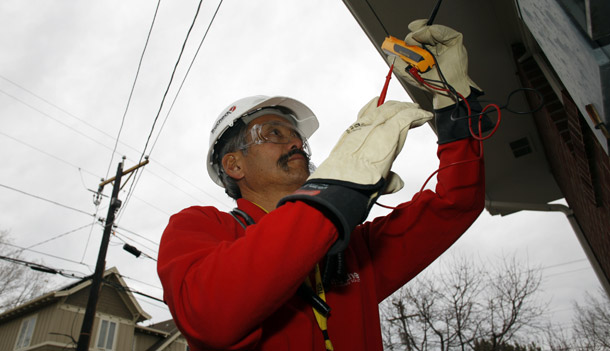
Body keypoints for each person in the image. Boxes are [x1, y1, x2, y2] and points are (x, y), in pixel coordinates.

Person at [157, 20, 492, 351]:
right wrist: (334, 192)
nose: (295, 144)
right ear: (234, 164)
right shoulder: (200, 226)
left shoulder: (351, 251)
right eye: (274, 133)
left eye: (297, 137)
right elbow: (209, 319)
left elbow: (455, 204)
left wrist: (456, 103)